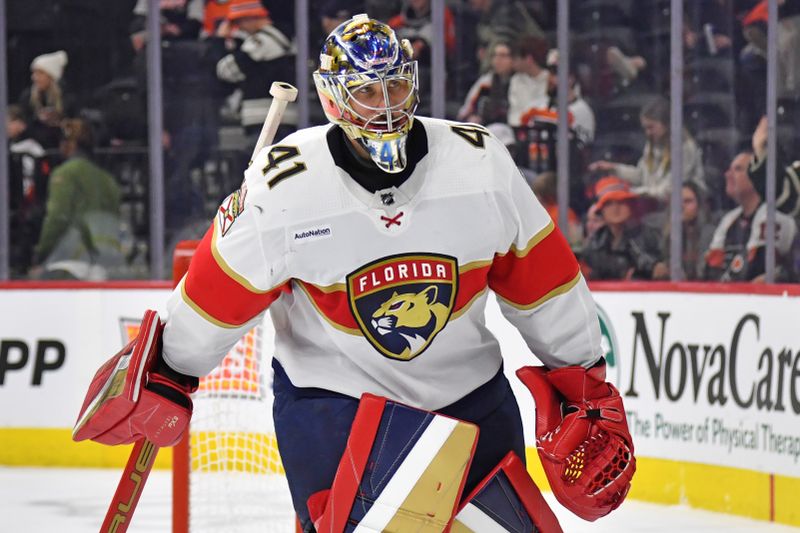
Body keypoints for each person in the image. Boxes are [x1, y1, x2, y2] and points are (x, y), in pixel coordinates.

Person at [73, 15, 635, 531]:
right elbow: (216, 293)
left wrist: (583, 380)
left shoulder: (479, 163)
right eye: (366, 90)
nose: (384, 104)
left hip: (469, 397)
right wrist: (170, 365)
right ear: (332, 96)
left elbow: (548, 285)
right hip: (335, 405)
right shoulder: (286, 187)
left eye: (393, 85)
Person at [31, 118, 125, 281]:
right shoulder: (108, 180)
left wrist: (41, 255)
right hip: (104, 264)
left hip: (71, 261)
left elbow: (57, 219)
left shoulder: (65, 173)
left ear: (70, 144)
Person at [589, 96, 705, 205]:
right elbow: (641, 176)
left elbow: (670, 189)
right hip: (652, 203)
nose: (647, 133)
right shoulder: (651, 144)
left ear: (666, 124)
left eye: (651, 127)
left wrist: (634, 192)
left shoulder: (685, 147)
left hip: (678, 206)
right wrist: (614, 169)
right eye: (645, 128)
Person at [704, 150, 797, 282]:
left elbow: (758, 266)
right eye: (729, 169)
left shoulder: (775, 214)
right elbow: (711, 267)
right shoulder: (729, 219)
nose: (727, 175)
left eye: (737, 169)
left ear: (757, 176)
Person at [215, 0, 296, 146]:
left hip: (264, 117)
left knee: (260, 165)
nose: (239, 27)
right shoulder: (287, 36)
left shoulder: (262, 41)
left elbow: (224, 70)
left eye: (239, 22)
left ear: (250, 17)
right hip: (281, 116)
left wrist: (220, 40)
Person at [583, 176, 670, 281]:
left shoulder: (649, 235)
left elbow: (659, 269)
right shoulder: (596, 241)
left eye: (621, 202)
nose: (616, 208)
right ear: (601, 211)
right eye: (609, 203)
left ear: (631, 205)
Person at [660, 182, 716, 281]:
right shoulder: (664, 234)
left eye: (688, 201)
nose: (681, 206)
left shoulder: (711, 235)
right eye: (677, 201)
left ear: (699, 205)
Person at [18, 50, 71, 149]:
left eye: (40, 73)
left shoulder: (67, 97)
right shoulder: (27, 97)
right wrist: (37, 119)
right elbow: (24, 122)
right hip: (35, 148)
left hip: (60, 148)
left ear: (51, 76)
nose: (34, 78)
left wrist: (59, 120)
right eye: (34, 73)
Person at [456, 40, 513, 125]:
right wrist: (471, 117)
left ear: (513, 59)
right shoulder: (486, 82)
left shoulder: (520, 81)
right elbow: (465, 112)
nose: (498, 60)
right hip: (488, 128)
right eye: (495, 55)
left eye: (503, 56)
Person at [507, 35, 550, 127]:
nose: (512, 63)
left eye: (515, 59)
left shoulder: (550, 80)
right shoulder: (516, 80)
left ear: (529, 59)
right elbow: (514, 113)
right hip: (520, 130)